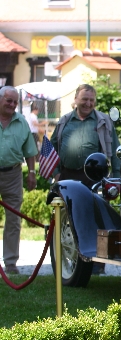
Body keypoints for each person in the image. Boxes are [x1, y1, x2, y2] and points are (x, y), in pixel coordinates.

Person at [50, 84, 121, 274]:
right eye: (84, 99)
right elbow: (51, 149)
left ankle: (98, 264)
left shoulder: (103, 122)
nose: (88, 103)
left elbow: (115, 152)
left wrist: (116, 179)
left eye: (91, 100)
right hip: (67, 177)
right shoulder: (64, 121)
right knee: (68, 221)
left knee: (98, 220)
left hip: (95, 179)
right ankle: (69, 263)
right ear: (75, 99)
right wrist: (56, 172)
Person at [0, 86, 38, 274]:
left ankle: (11, 262)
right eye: (9, 100)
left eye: (15, 102)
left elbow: (30, 151)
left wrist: (32, 172)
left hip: (13, 175)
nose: (12, 104)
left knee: (14, 219)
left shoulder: (22, 122)